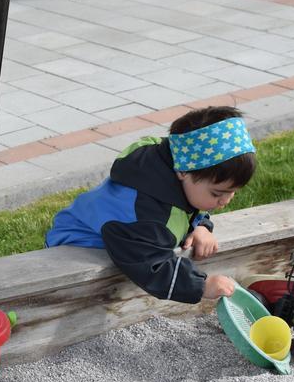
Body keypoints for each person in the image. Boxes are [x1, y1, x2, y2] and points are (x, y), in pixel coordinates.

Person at [45, 105, 255, 303]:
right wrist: (201, 285)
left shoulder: (172, 164)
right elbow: (150, 265)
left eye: (233, 192)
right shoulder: (146, 217)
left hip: (119, 238)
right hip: (76, 249)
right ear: (182, 171)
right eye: (217, 193)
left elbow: (186, 208)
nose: (226, 201)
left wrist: (200, 225)